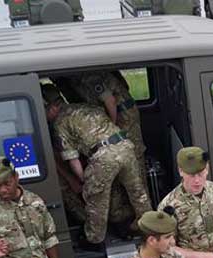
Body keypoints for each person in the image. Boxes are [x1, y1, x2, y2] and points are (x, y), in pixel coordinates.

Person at [43, 83, 151, 245]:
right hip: (125, 146)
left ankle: (94, 238)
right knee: (137, 192)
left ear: (52, 108)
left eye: (44, 112)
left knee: (95, 198)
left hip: (104, 155)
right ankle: (148, 227)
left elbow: (72, 159)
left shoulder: (60, 122)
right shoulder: (85, 106)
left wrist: (83, 180)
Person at [75, 70, 146, 167]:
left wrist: (112, 126)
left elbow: (110, 101)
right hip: (120, 111)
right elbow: (125, 85)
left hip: (122, 115)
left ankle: (138, 180)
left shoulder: (89, 77)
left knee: (133, 153)